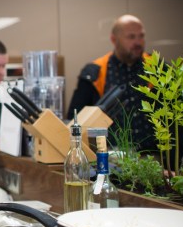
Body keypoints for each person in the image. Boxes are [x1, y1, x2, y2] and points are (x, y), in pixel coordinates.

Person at [67, 14, 157, 152]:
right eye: (131, 37)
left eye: (141, 36)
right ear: (114, 39)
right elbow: (74, 119)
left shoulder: (159, 69)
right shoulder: (94, 72)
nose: (138, 42)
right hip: (109, 155)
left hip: (154, 157)